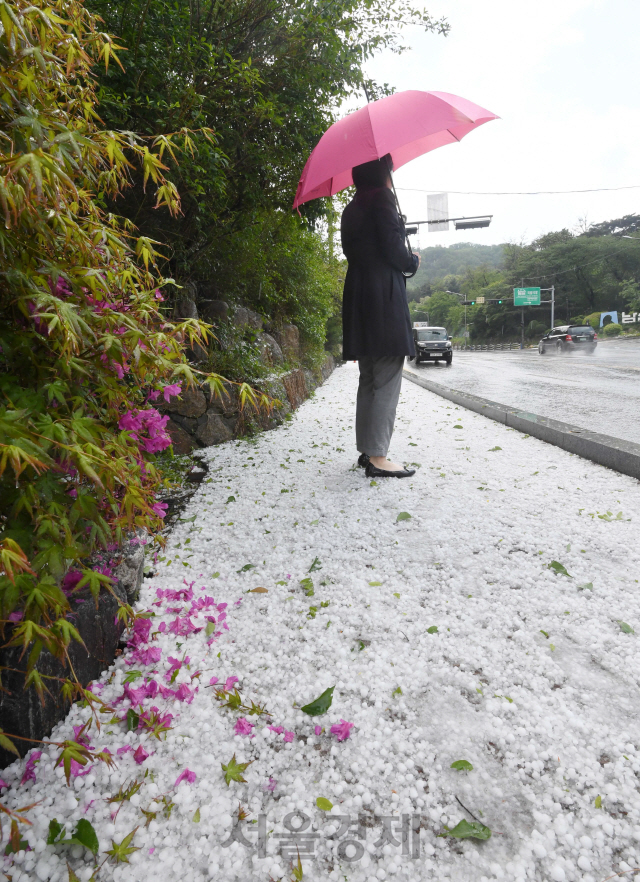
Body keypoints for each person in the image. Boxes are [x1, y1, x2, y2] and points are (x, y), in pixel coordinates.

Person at [340, 154, 420, 478]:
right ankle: (378, 457)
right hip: (383, 297)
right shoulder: (383, 199)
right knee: (386, 377)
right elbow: (392, 250)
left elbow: (356, 249)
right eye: (389, 170)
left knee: (369, 378)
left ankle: (367, 451)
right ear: (382, 174)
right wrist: (411, 259)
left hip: (359, 296)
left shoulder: (350, 209)